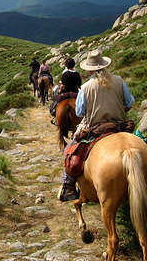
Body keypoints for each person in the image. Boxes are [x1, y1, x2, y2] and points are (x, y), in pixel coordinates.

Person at [58, 49, 135, 201]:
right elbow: (130, 102)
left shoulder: (86, 88)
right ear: (105, 66)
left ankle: (68, 186)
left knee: (69, 149)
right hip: (120, 125)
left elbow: (80, 113)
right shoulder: (119, 80)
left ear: (90, 70)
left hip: (94, 128)